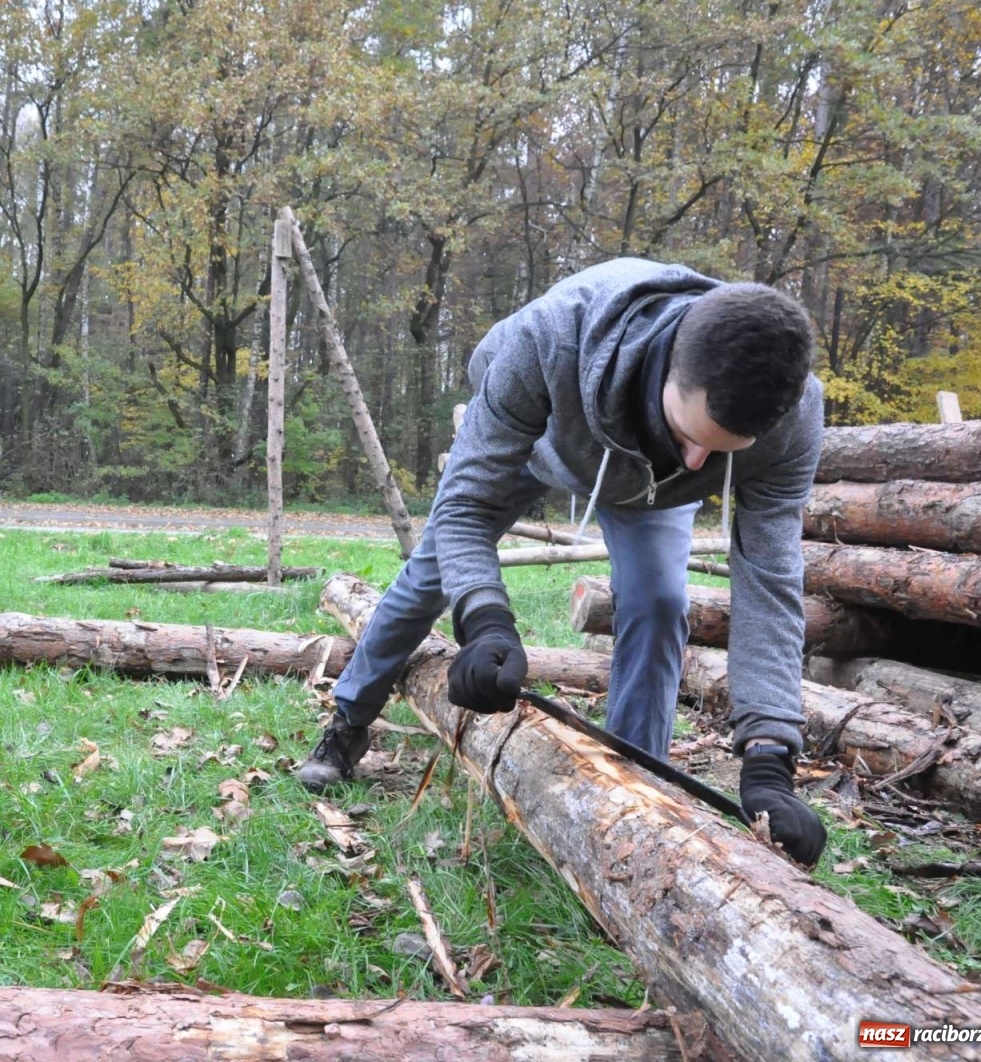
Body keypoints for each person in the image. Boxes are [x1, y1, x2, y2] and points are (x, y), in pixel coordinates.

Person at [297, 258, 827, 867]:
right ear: (669, 368)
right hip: (540, 447)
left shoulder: (795, 415)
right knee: (430, 576)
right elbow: (465, 507)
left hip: (654, 491)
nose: (701, 462)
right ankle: (348, 721)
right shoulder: (550, 337)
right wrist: (486, 620)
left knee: (659, 604)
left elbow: (770, 578)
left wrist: (770, 754)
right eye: (688, 434)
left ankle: (633, 795)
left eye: (723, 451)